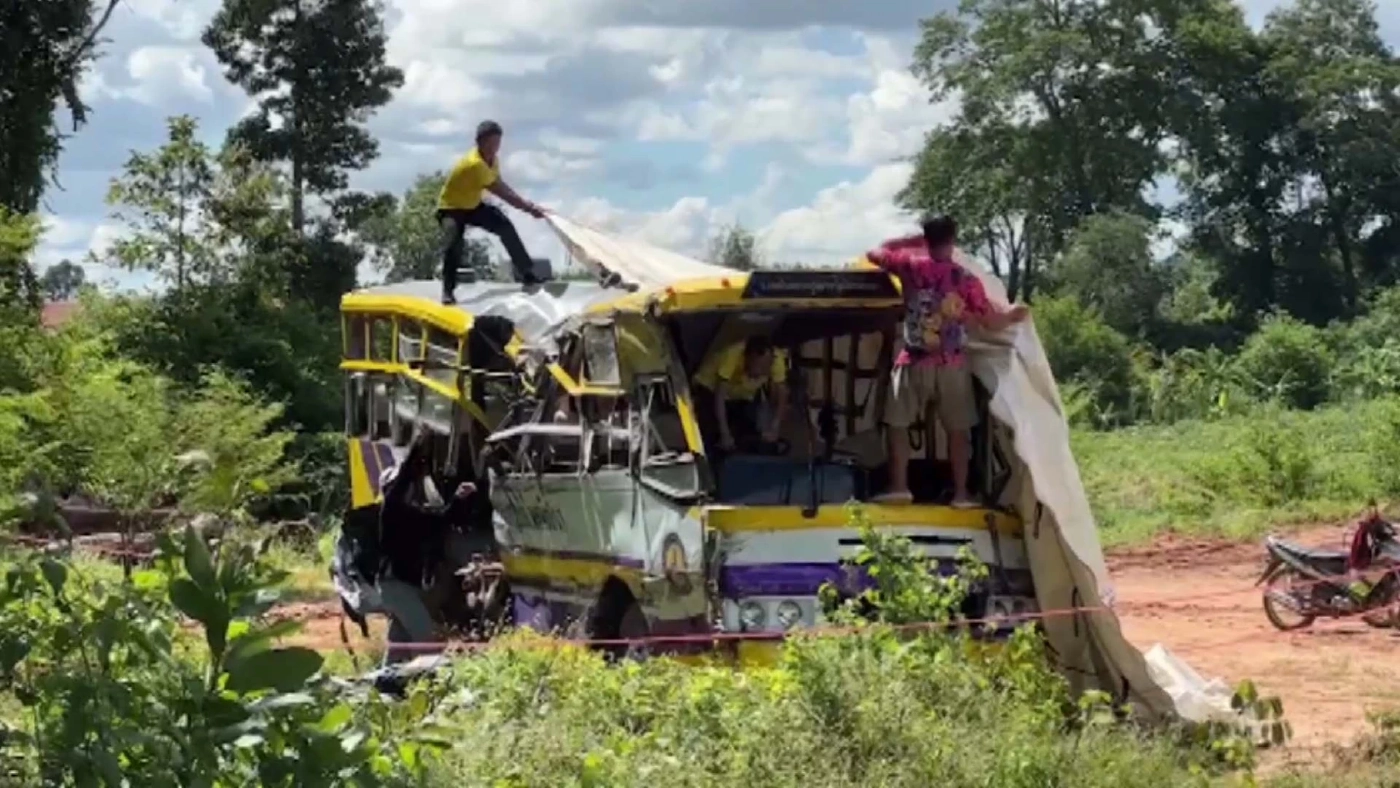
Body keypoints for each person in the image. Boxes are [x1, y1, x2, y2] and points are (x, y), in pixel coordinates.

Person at [869, 215, 1029, 508]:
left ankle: (900, 487)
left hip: (914, 359)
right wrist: (1013, 314)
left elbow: (875, 253)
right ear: (953, 240)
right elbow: (991, 322)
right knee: (958, 429)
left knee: (898, 423)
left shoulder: (909, 266)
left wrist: (912, 242)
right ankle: (961, 494)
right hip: (952, 362)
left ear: (926, 239)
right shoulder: (965, 279)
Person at [376, 429, 478, 666]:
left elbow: (443, 518)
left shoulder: (414, 515)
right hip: (396, 586)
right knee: (428, 643)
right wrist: (418, 446)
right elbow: (402, 482)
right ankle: (429, 689)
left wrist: (459, 499)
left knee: (399, 647)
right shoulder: (392, 510)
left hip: (401, 588)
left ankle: (386, 686)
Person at [437, 120, 548, 303]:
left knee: (504, 226)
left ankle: (527, 274)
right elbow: (501, 192)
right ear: (480, 142)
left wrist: (527, 205)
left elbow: (501, 183)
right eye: (491, 143)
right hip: (451, 208)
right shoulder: (474, 164)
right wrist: (528, 208)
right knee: (454, 245)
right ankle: (447, 292)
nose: (495, 148)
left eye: (498, 143)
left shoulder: (493, 160)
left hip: (472, 206)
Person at [692, 336, 790, 453]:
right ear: (747, 358)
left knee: (747, 428)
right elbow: (719, 395)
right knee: (712, 430)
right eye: (759, 366)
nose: (763, 372)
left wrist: (775, 426)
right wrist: (725, 433)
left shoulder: (776, 359)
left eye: (766, 367)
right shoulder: (732, 355)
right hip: (709, 388)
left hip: (742, 393)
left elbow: (782, 394)